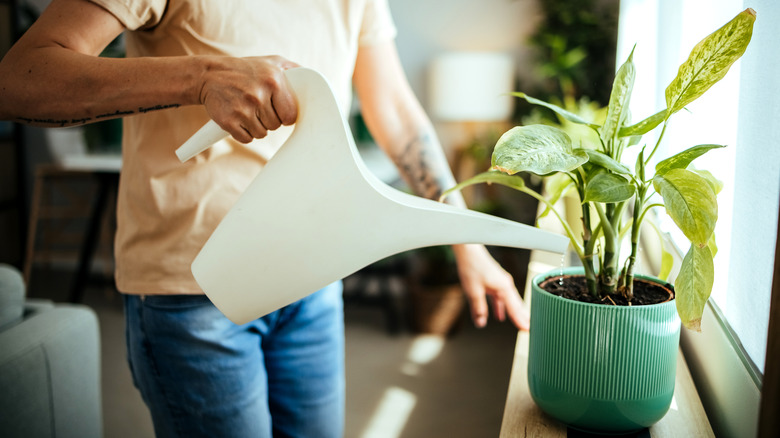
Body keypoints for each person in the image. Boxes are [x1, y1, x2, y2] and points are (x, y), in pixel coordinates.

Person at [0, 0, 531, 436]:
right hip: (192, 293)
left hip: (312, 277)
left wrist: (468, 244)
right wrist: (203, 77)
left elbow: (392, 108)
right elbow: (21, 79)